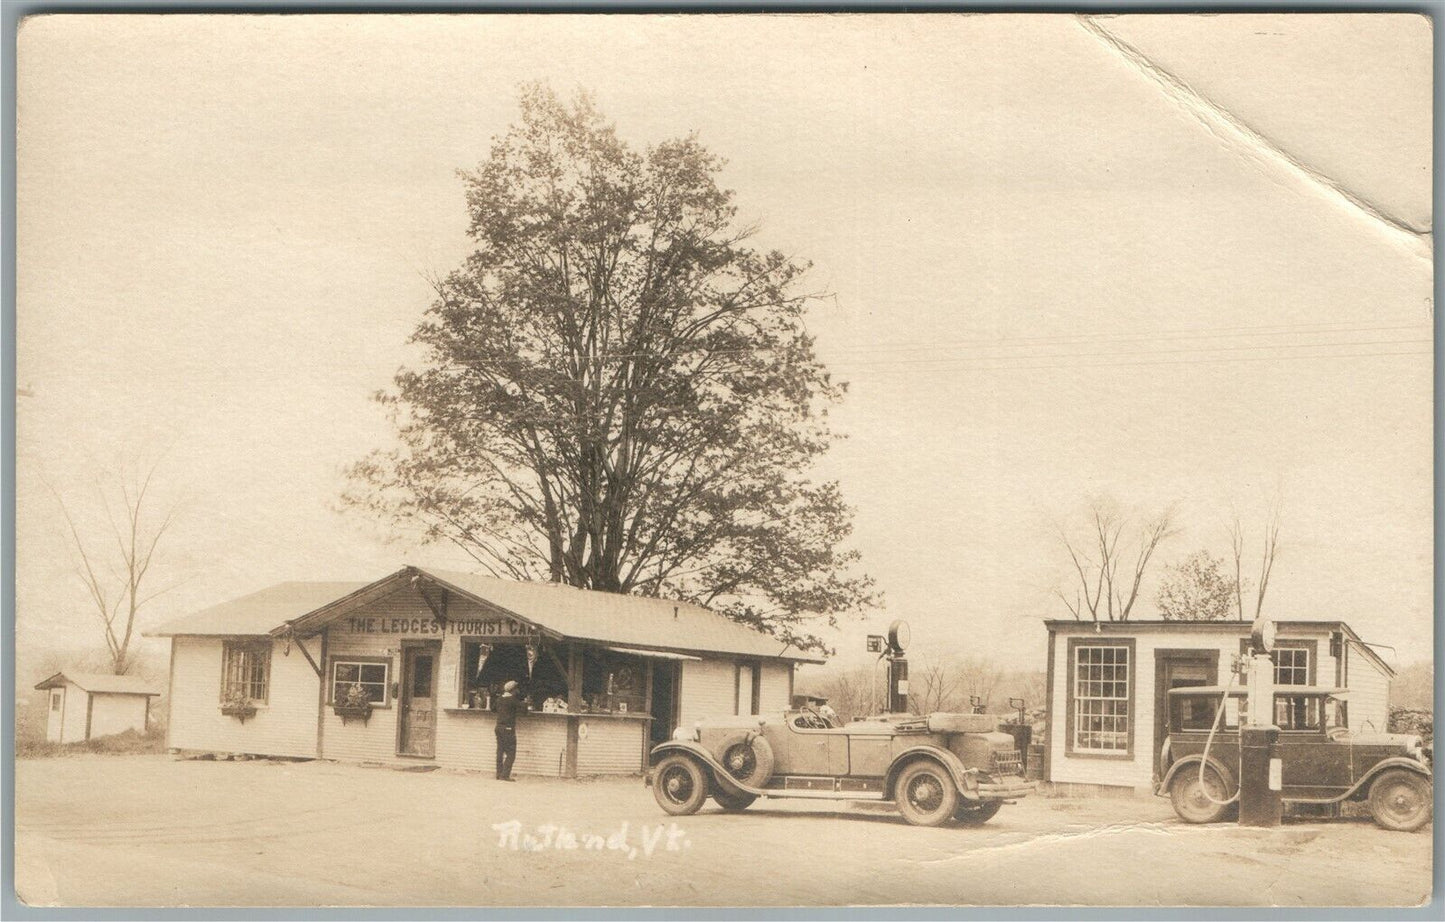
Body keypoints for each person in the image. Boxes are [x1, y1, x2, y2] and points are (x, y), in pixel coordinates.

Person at [494, 679, 521, 781]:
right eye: (516, 689)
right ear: (513, 690)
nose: (517, 690)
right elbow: (524, 710)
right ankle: (505, 775)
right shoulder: (513, 700)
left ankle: (499, 773)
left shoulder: (499, 699)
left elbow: (493, 709)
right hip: (508, 728)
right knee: (511, 752)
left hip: (498, 727)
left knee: (500, 751)